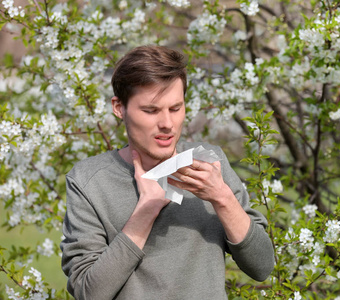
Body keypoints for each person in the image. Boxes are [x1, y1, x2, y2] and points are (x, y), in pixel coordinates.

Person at [60, 45, 275, 300]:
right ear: (119, 107)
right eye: (151, 110)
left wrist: (222, 198)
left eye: (175, 108)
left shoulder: (209, 165)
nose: (167, 123)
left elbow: (262, 267)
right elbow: (88, 293)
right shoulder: (88, 182)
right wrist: (145, 212)